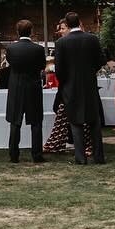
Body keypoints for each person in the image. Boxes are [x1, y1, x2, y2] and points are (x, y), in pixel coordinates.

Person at [55, 10, 106, 165]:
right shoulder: (92, 39)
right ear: (79, 22)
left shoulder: (62, 43)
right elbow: (100, 60)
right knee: (94, 122)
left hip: (70, 86)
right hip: (89, 84)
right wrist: (90, 72)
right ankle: (98, 156)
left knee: (75, 122)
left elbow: (59, 69)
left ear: (68, 25)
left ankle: (80, 157)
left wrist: (64, 83)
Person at [4, 19, 47, 163]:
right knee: (36, 122)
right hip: (33, 87)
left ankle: (13, 154)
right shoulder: (38, 49)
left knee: (15, 122)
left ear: (17, 32)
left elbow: (11, 64)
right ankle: (37, 154)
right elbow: (42, 66)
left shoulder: (11, 49)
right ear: (31, 31)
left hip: (16, 87)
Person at [44, 19, 71, 154]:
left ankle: (57, 143)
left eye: (63, 28)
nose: (60, 31)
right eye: (59, 29)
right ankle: (60, 141)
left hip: (68, 85)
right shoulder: (62, 43)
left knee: (61, 110)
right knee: (60, 110)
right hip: (65, 85)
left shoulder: (64, 44)